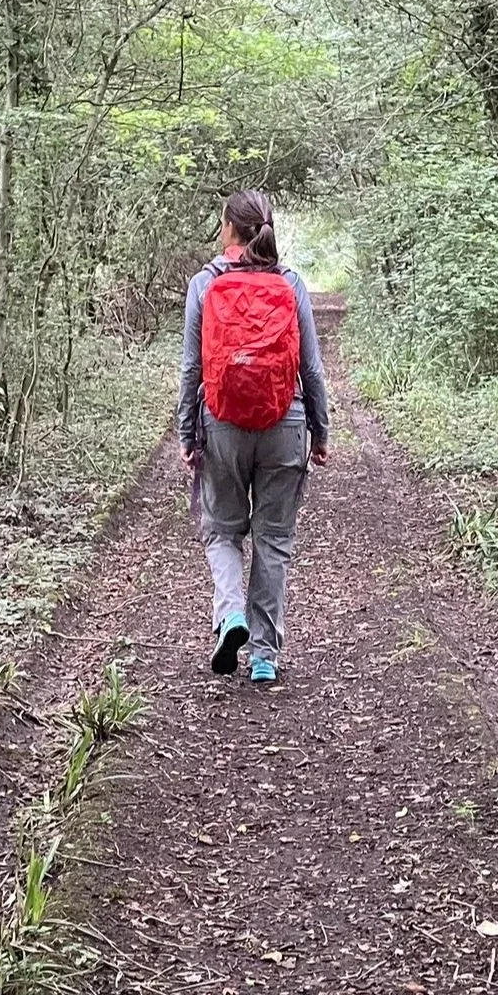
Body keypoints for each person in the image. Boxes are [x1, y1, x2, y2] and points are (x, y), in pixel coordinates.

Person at [175, 190, 330, 683]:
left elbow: (191, 370)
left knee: (222, 530)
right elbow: (311, 368)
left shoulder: (204, 284)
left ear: (229, 229)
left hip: (222, 424)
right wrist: (320, 431)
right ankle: (264, 656)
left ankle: (230, 615)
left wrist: (187, 432)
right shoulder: (289, 283)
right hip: (285, 423)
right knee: (274, 540)